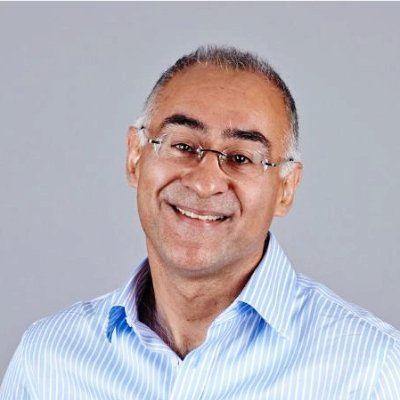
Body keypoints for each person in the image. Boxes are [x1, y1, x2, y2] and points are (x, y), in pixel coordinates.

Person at [1, 45, 399, 399]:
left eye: (240, 157)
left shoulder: (369, 370)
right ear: (135, 157)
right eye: (183, 145)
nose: (205, 183)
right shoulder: (49, 361)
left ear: (286, 188)